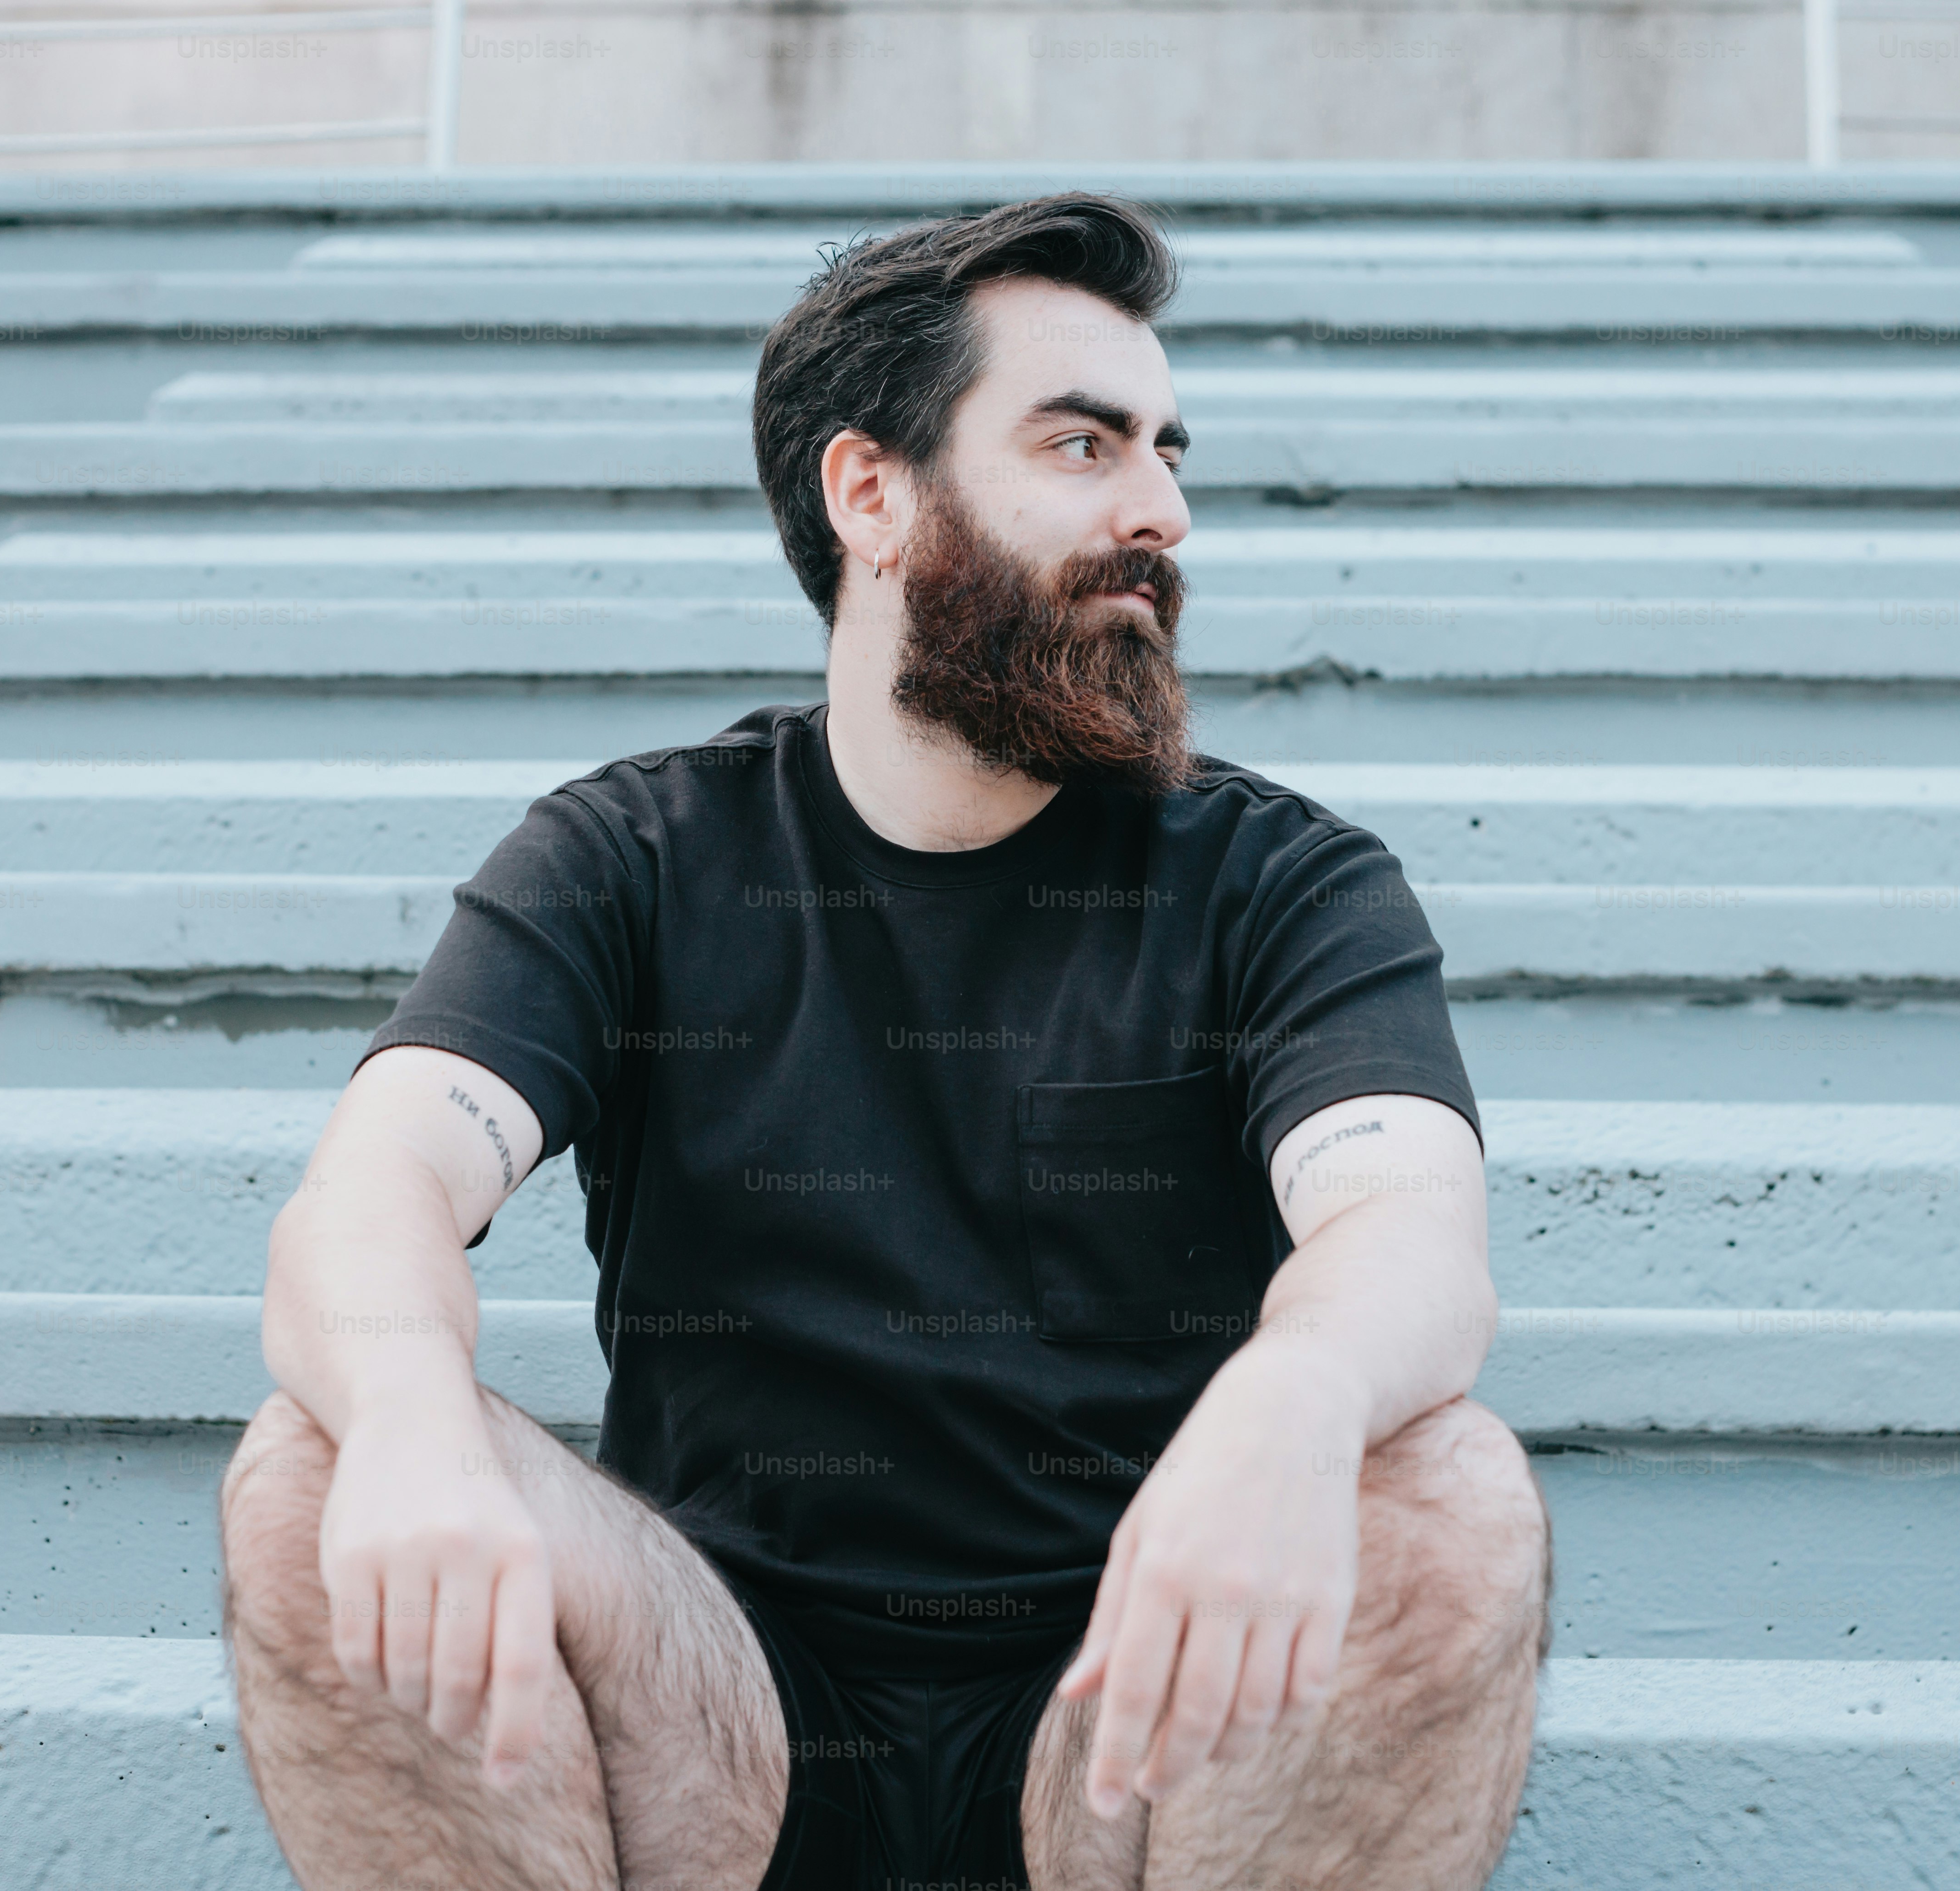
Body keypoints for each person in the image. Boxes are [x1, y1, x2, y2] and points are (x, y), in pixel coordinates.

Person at [220, 191, 1552, 1891]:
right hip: (715, 1719)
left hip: (1130, 1714)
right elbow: (373, 1187)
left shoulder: (1279, 882)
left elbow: (1410, 1234)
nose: (1161, 510)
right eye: (1082, 446)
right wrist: (412, 1426)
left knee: (1444, 1482)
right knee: (311, 1466)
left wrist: (1295, 1393)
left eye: (1163, 452)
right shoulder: (632, 858)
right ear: (874, 494)